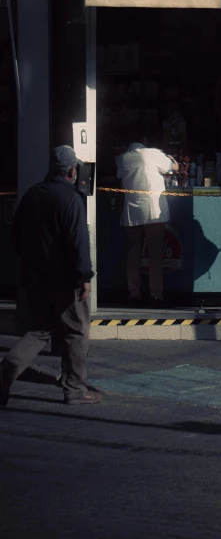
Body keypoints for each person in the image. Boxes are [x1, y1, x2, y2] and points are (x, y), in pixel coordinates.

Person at [0, 146, 100, 408]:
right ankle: (75, 389)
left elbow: (16, 234)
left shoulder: (33, 194)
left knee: (39, 330)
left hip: (35, 277)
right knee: (76, 331)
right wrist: (84, 276)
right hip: (65, 279)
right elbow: (79, 242)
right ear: (72, 171)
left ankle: (4, 373)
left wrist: (33, 261)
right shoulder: (71, 198)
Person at [115, 142, 177, 307]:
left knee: (134, 250)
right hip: (152, 210)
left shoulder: (122, 159)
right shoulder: (151, 153)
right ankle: (156, 295)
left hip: (132, 212)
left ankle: (134, 294)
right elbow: (174, 167)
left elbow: (120, 176)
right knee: (155, 252)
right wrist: (170, 158)